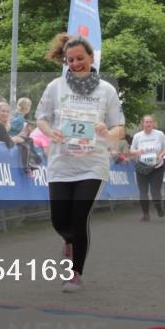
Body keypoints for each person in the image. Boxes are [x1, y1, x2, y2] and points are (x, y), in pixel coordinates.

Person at [35, 33, 125, 293]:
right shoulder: (56, 87)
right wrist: (49, 132)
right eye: (70, 60)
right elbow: (41, 118)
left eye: (80, 58)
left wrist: (107, 133)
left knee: (79, 215)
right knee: (59, 220)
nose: (75, 63)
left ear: (91, 58)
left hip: (92, 163)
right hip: (62, 163)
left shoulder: (106, 90)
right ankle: (68, 239)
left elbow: (120, 127)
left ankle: (75, 273)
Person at [128, 115, 165, 221]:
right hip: (142, 168)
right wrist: (137, 152)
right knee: (143, 192)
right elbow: (132, 151)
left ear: (153, 123)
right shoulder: (137, 136)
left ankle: (159, 207)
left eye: (150, 122)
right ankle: (145, 214)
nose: (148, 124)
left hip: (156, 167)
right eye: (146, 122)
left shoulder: (160, 134)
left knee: (155, 192)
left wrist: (161, 155)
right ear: (142, 124)